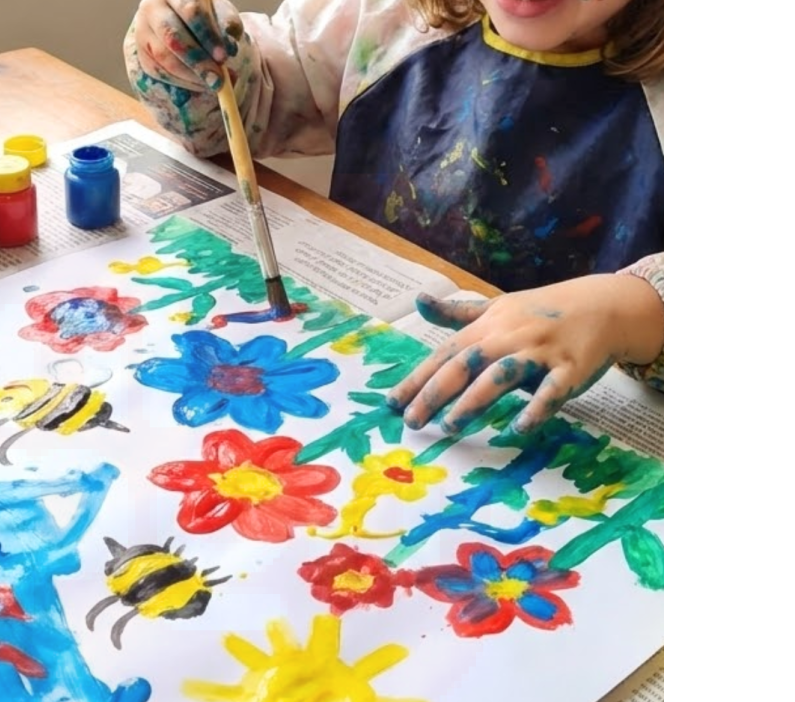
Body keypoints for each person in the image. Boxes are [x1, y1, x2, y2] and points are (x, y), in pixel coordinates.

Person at [124, 0, 663, 434]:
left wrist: (631, 309)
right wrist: (184, 56)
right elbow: (238, 110)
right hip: (364, 374)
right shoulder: (390, 19)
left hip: (569, 435)